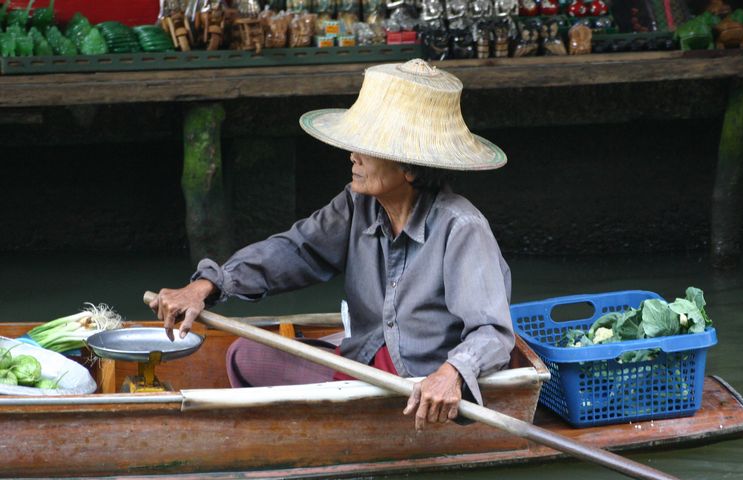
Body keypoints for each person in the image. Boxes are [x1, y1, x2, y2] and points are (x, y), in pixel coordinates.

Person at [149, 59, 514, 431]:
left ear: (410, 168)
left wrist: (451, 373)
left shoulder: (461, 227)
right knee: (247, 355)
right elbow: (296, 250)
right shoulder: (358, 206)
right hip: (363, 364)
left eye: (367, 148)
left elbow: (493, 333)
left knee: (252, 365)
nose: (353, 156)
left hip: (417, 391)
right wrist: (207, 285)